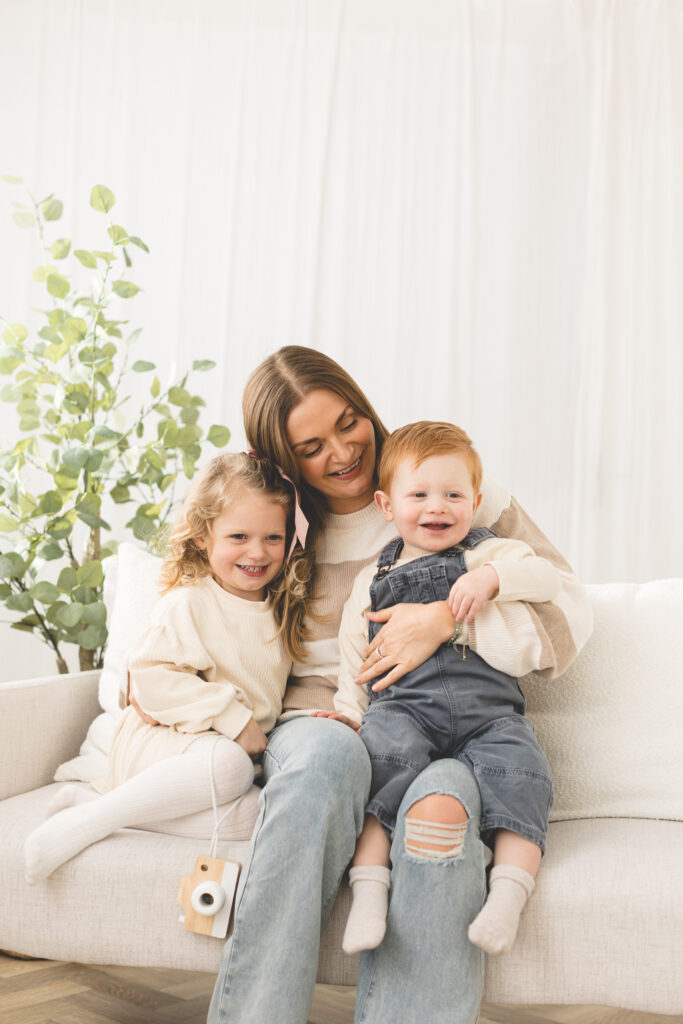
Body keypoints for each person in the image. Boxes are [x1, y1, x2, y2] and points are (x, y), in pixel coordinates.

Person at [206, 346, 593, 1024]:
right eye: (311, 446)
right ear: (283, 459)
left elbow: (563, 604)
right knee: (325, 762)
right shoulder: (275, 520)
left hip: (461, 710)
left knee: (440, 804)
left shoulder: (443, 485)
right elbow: (200, 612)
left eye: (349, 422)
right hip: (330, 716)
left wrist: (446, 620)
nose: (342, 452)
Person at [23, 452, 308, 884]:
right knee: (231, 766)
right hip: (160, 746)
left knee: (260, 814)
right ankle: (87, 823)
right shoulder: (191, 602)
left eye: (273, 537)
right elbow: (148, 680)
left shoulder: (279, 609)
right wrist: (233, 719)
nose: (257, 551)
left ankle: (109, 809)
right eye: (238, 536)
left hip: (212, 765)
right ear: (201, 537)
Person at [330, 421, 558, 958]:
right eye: (420, 494)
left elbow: (546, 578)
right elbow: (353, 659)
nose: (438, 507)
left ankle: (507, 895)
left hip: (490, 714)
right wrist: (348, 712)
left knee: (524, 773)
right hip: (404, 709)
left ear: (475, 502)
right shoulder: (373, 577)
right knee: (378, 769)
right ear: (387, 505)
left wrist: (493, 580)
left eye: (454, 494)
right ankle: (368, 890)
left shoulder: (488, 554)